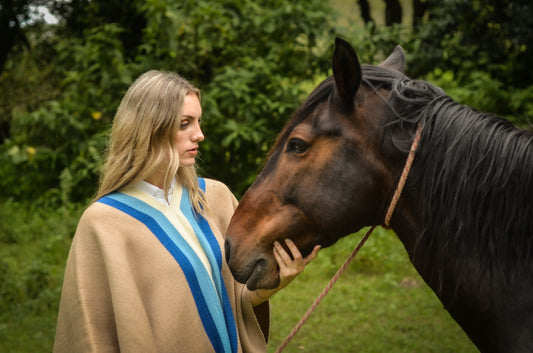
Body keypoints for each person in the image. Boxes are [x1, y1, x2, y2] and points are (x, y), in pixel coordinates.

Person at [53, 70, 320, 353]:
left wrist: (275, 283)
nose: (200, 134)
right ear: (149, 129)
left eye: (198, 121)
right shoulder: (103, 223)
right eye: (185, 124)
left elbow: (232, 303)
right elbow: (91, 336)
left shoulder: (214, 198)